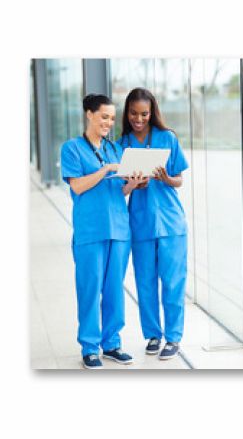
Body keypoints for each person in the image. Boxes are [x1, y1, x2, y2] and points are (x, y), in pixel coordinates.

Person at [61, 94, 142, 369]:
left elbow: (119, 191)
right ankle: (89, 347)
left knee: (114, 289)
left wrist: (133, 183)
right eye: (104, 116)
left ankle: (111, 343)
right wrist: (106, 168)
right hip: (90, 231)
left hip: (119, 230)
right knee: (89, 288)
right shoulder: (71, 149)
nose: (109, 122)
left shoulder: (115, 149)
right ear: (89, 114)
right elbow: (78, 186)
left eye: (111, 117)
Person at [118, 87, 188, 360]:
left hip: (171, 224)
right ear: (127, 113)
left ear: (152, 112)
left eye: (144, 113)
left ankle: (173, 338)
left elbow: (179, 178)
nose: (139, 118)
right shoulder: (122, 143)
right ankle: (153, 335)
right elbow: (120, 185)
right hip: (141, 223)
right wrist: (134, 184)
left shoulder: (167, 138)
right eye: (134, 113)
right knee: (146, 283)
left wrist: (165, 179)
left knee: (173, 282)